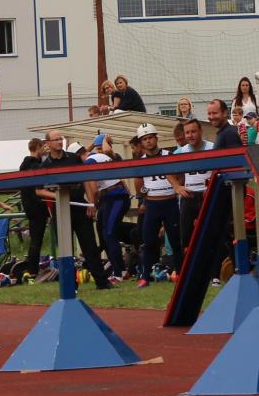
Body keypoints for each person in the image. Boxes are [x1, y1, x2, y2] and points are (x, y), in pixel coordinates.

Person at [37, 134, 112, 289]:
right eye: (56, 139)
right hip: (61, 209)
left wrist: (90, 202)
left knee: (90, 245)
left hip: (80, 206)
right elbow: (39, 191)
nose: (60, 142)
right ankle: (71, 285)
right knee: (65, 250)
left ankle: (102, 282)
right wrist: (60, 196)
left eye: (61, 139)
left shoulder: (74, 158)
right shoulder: (44, 165)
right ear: (48, 143)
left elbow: (86, 180)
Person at [131, 123, 182, 287]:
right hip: (152, 204)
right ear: (141, 142)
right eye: (145, 139)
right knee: (148, 242)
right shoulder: (141, 162)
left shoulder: (169, 155)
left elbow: (180, 175)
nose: (148, 141)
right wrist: (145, 196)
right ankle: (145, 276)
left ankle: (180, 273)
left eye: (150, 137)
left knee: (175, 240)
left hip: (170, 202)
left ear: (156, 138)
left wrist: (176, 187)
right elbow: (139, 184)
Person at [84, 133, 130, 281]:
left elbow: (94, 190)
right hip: (113, 197)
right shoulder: (97, 157)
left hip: (116, 196)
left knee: (109, 233)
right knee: (106, 233)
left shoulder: (93, 160)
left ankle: (119, 272)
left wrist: (93, 205)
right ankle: (119, 268)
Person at [173, 117, 214, 251]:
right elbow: (166, 169)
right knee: (186, 235)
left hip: (207, 194)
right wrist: (177, 187)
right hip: (189, 195)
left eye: (193, 131)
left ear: (200, 131)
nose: (190, 135)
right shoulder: (181, 151)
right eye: (187, 133)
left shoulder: (212, 147)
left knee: (211, 232)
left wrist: (213, 186)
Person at [18, 137, 50, 278]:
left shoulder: (23, 165)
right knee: (37, 240)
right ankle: (33, 270)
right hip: (38, 206)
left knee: (35, 239)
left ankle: (32, 269)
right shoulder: (36, 166)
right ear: (37, 147)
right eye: (43, 147)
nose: (44, 149)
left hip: (28, 206)